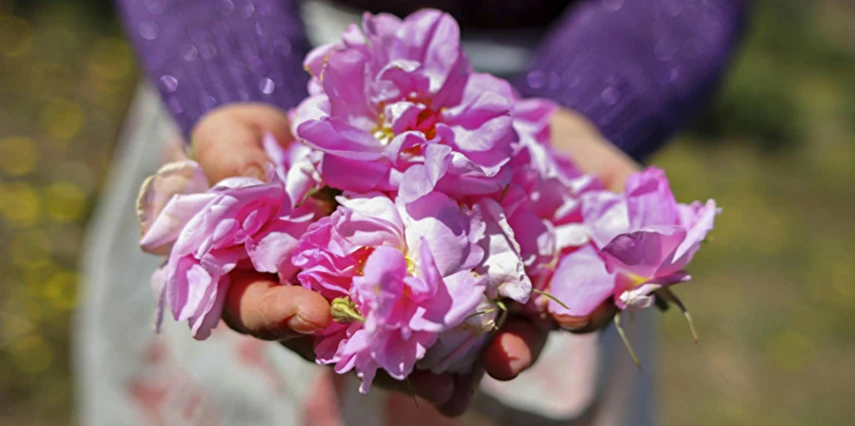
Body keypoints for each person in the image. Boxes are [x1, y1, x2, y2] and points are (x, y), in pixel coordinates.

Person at [75, 0, 748, 425]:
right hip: (260, 85)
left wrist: (571, 114)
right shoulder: (298, 128)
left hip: (552, 123)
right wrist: (231, 76)